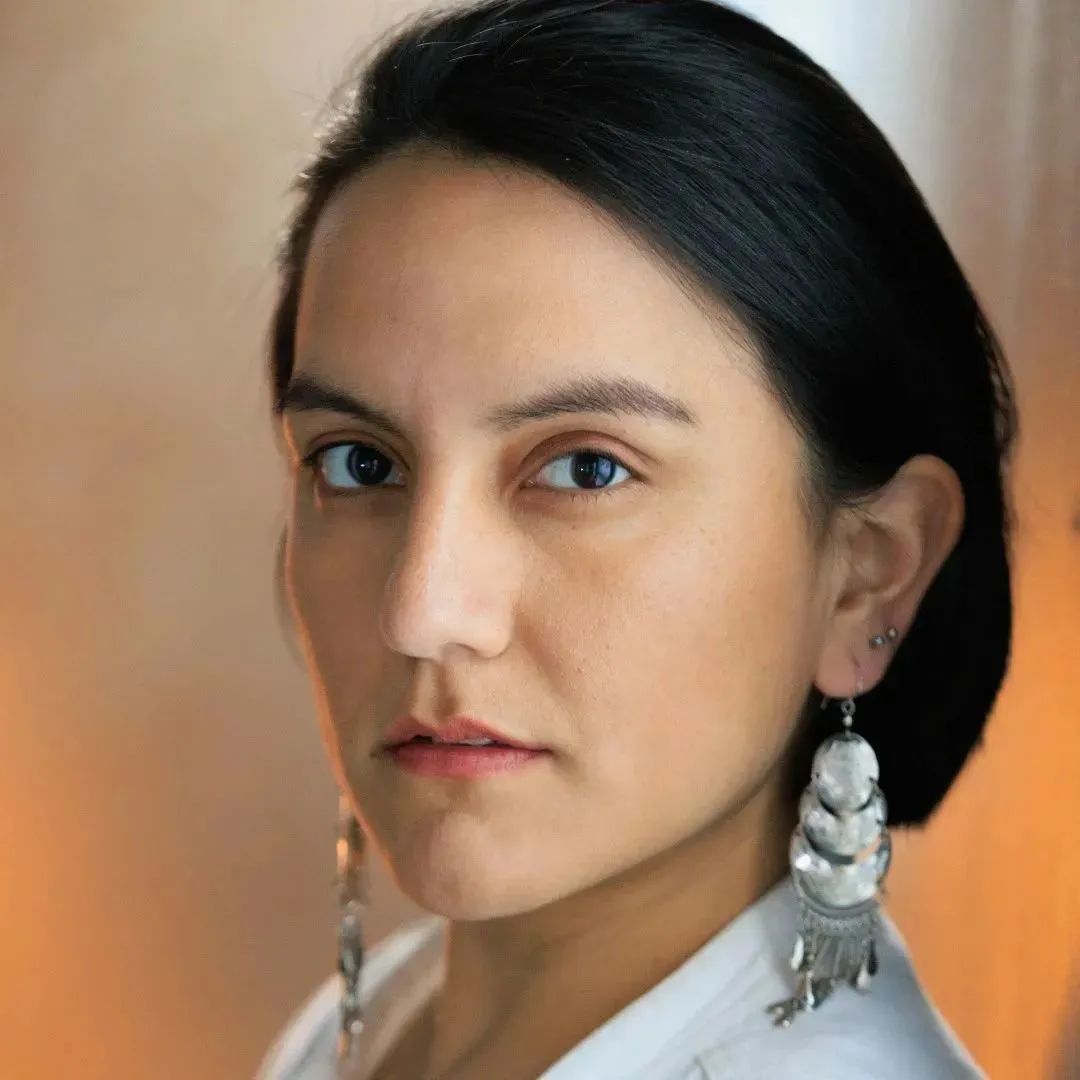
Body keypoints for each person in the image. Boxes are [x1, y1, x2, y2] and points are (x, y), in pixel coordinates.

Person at [255, 1, 1017, 1076]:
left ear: (867, 576)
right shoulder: (370, 1019)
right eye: (358, 463)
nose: (420, 612)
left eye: (586, 469)